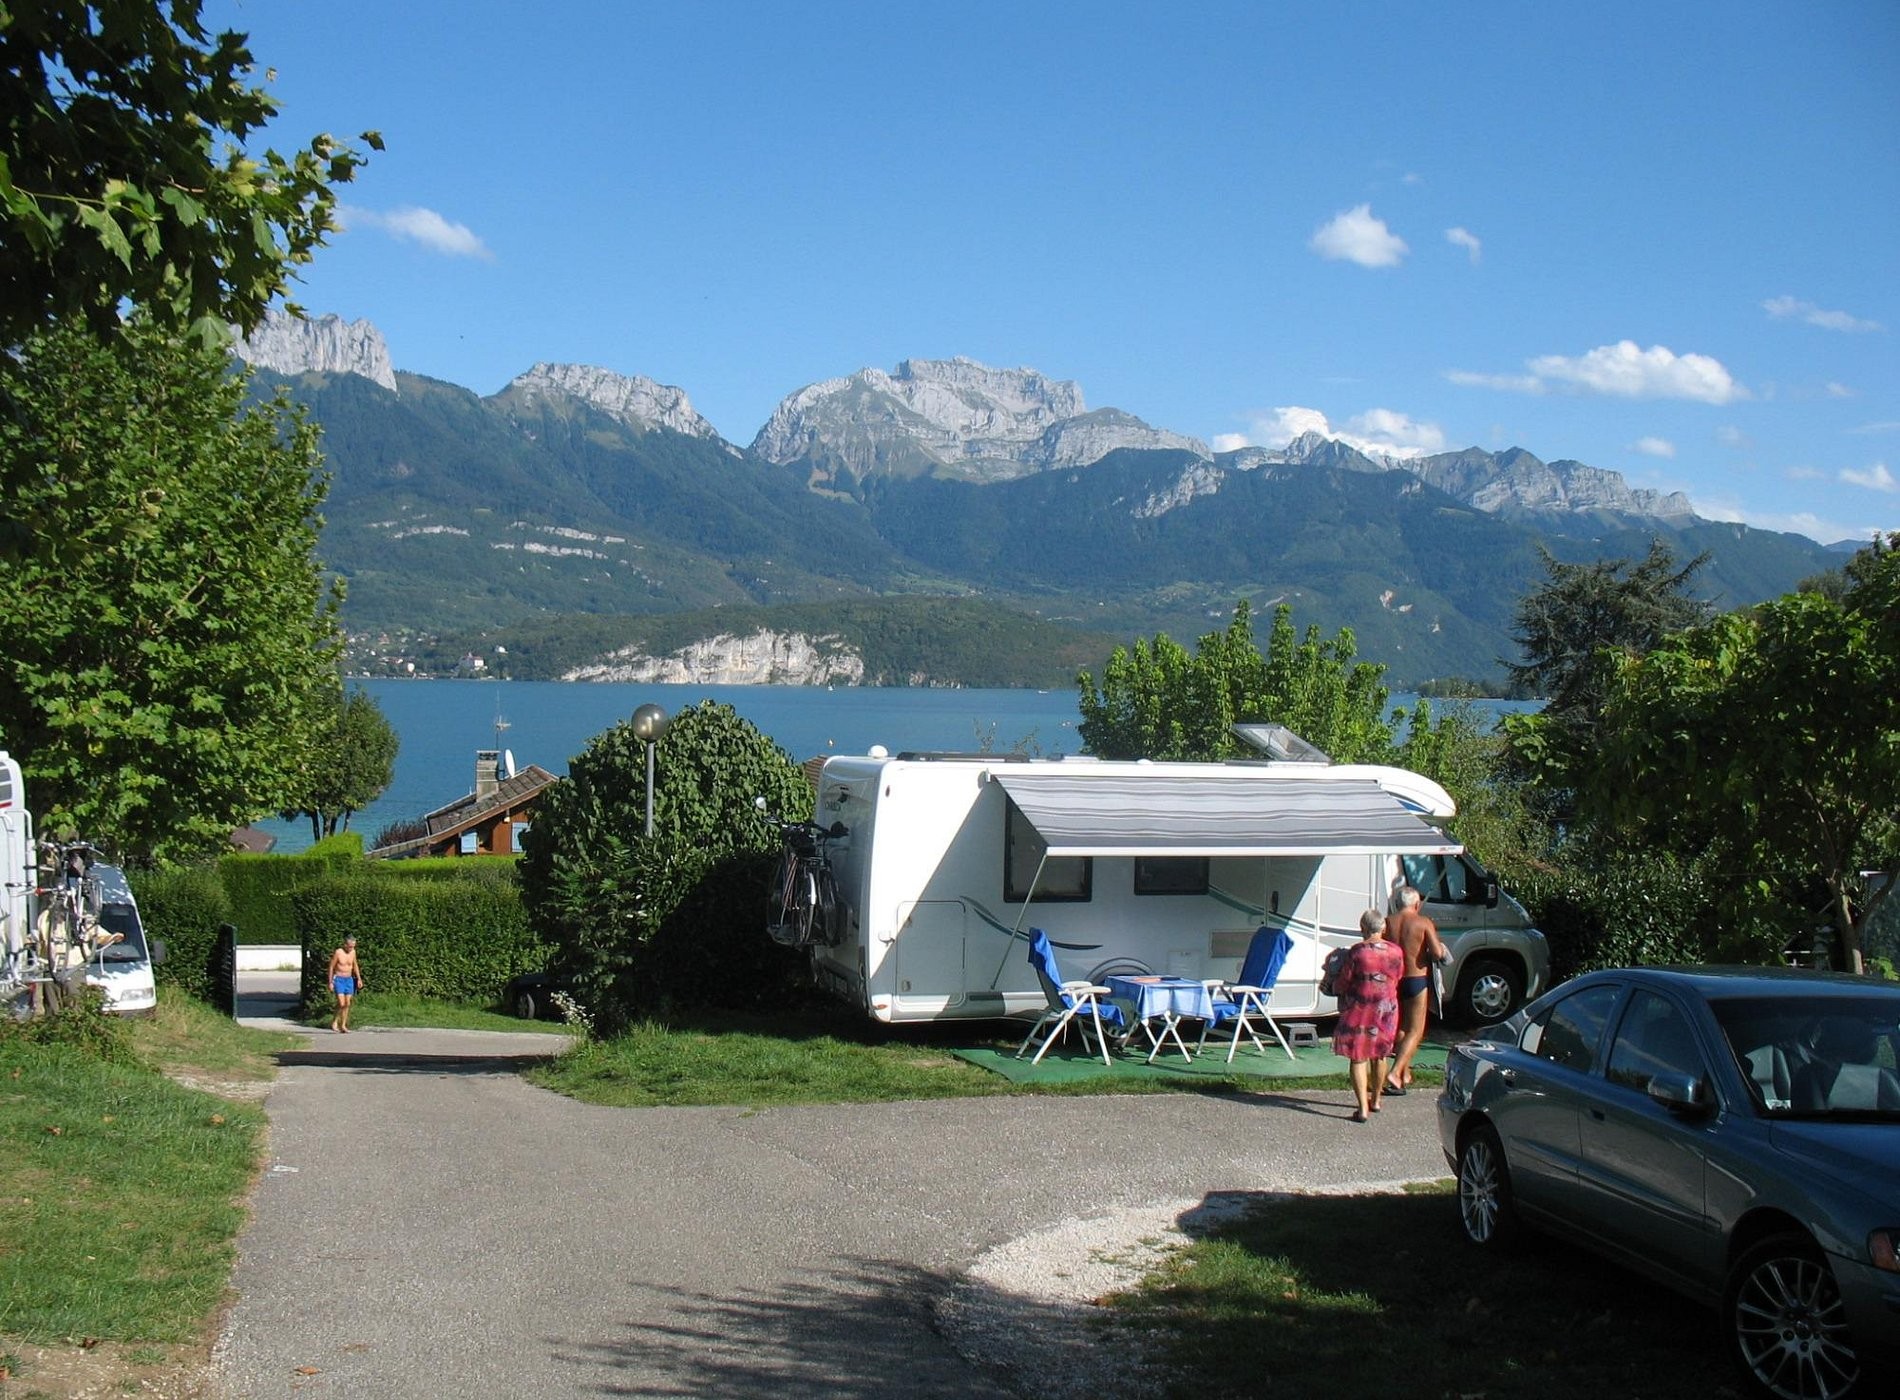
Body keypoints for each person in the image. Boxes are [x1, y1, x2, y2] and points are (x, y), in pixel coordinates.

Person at [1333, 907, 1404, 1122]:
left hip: (1360, 1007)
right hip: (1387, 1007)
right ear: (1383, 927)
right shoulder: (1396, 951)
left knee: (1358, 1056)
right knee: (1380, 1053)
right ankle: (1376, 1100)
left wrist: (1333, 985)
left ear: (1362, 928)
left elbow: (1345, 981)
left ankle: (1362, 1108)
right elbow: (1398, 976)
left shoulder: (1357, 952)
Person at [1386, 886, 1448, 1093]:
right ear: (1417, 904)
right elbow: (1438, 953)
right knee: (1416, 1030)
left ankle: (1404, 1073)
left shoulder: (1389, 922)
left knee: (1402, 1027)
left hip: (1396, 980)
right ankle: (1395, 1073)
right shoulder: (1423, 922)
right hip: (1416, 978)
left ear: (1397, 903)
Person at [328, 935, 362, 1033]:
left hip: (349, 979)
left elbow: (355, 965)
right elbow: (331, 967)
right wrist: (330, 982)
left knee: (347, 1003)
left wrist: (359, 979)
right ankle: (335, 1021)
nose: (352, 948)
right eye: (350, 946)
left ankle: (343, 1025)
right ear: (345, 945)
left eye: (353, 946)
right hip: (339, 979)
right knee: (341, 1003)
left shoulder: (353, 953)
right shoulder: (338, 952)